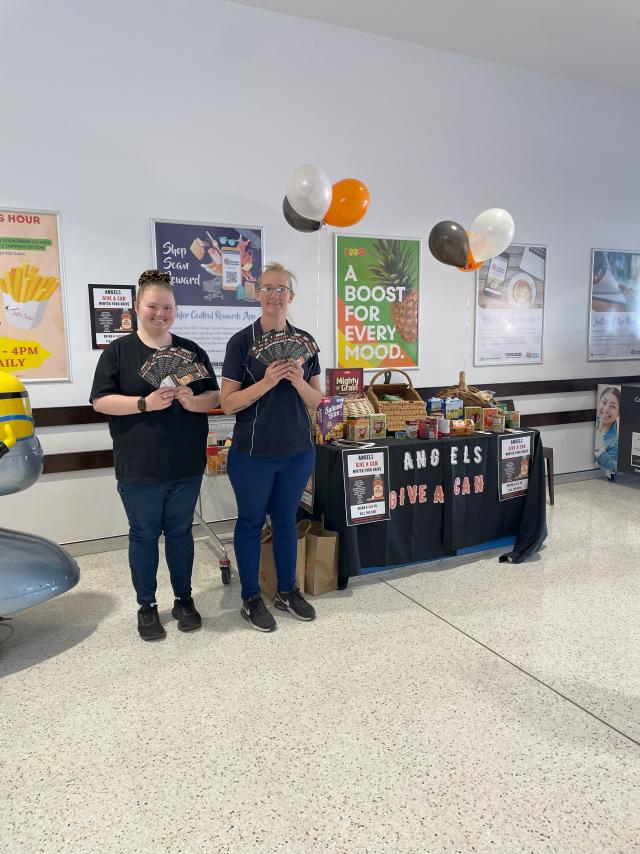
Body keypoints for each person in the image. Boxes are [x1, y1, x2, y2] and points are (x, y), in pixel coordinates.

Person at [90, 270, 220, 641]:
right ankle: (146, 605)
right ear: (137, 307)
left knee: (180, 532)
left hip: (185, 462)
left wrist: (193, 401)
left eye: (168, 307)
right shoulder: (118, 352)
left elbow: (214, 396)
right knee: (144, 535)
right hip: (139, 465)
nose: (160, 314)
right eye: (153, 306)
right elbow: (100, 401)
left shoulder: (191, 351)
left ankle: (183, 599)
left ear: (175, 309)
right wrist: (143, 403)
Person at [220, 262, 323, 632]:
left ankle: (286, 590)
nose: (274, 295)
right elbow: (228, 403)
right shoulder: (240, 342)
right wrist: (265, 382)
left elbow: (318, 402)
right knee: (250, 522)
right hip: (252, 455)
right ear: (257, 294)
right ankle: (250, 597)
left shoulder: (305, 342)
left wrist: (297, 380)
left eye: (281, 289)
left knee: (286, 522)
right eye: (267, 288)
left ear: (290, 296)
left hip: (297, 451)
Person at [595, 386, 620, 473]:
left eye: (613, 406)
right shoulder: (589, 424)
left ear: (618, 413)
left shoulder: (615, 443)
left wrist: (601, 455)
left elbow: (615, 469)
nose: (606, 409)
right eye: (604, 402)